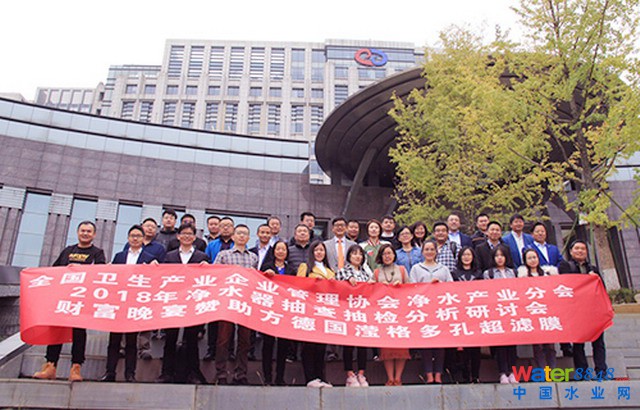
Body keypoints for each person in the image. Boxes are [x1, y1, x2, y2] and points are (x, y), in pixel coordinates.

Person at [33, 221, 106, 382]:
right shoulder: (68, 251)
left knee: (79, 333)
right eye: (83, 230)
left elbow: (100, 273)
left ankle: (76, 367)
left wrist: (80, 269)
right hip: (64, 299)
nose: (85, 233)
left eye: (89, 231)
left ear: (94, 235)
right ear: (78, 232)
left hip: (82, 300)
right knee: (56, 331)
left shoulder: (97, 253)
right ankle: (50, 365)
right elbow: (54, 270)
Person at [155, 223, 210, 384]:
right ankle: (166, 373)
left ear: (194, 237)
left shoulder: (201, 257)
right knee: (170, 338)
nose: (187, 236)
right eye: (184, 233)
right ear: (178, 236)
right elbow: (162, 276)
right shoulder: (170, 256)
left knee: (191, 340)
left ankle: (193, 373)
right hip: (173, 301)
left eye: (190, 234)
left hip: (193, 303)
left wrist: (208, 268)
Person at [101, 225, 155, 383]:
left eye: (138, 236)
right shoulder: (119, 256)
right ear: (128, 238)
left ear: (143, 239)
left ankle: (130, 374)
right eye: (132, 236)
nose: (135, 238)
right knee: (114, 340)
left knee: (132, 341)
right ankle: (110, 372)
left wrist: (153, 268)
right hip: (119, 302)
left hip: (135, 303)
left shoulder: (149, 258)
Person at [213, 224, 258, 385]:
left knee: (245, 341)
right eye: (239, 233)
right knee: (223, 339)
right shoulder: (223, 255)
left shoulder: (253, 258)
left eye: (245, 234)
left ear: (248, 238)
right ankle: (221, 374)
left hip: (246, 303)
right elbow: (215, 276)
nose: (241, 236)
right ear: (233, 236)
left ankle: (241, 374)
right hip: (227, 302)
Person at [559, 240, 607, 377]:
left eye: (583, 249)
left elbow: (602, 288)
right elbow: (566, 284)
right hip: (576, 311)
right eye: (577, 248)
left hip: (593, 311)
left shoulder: (593, 269)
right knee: (578, 343)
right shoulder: (565, 266)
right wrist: (586, 279)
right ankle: (582, 371)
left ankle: (601, 370)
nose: (580, 251)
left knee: (598, 342)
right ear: (571, 251)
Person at [409, 240, 453, 384]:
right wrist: (427, 286)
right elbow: (412, 288)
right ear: (422, 252)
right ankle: (428, 374)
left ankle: (438, 374)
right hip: (423, 311)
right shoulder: (416, 268)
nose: (429, 252)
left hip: (440, 311)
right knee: (426, 343)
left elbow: (451, 288)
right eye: (426, 249)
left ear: (436, 251)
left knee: (440, 343)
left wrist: (440, 285)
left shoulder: (443, 269)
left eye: (432, 249)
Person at [297, 240, 335, 387]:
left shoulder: (330, 270)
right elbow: (299, 286)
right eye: (316, 250)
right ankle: (310, 378)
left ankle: (321, 377)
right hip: (310, 309)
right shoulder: (305, 267)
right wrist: (313, 283)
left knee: (321, 346)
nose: (319, 253)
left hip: (325, 311)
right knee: (309, 345)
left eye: (322, 250)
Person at [373, 244, 410, 386]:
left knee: (401, 347)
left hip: (400, 313)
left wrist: (401, 286)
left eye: (390, 253)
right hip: (384, 314)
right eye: (384, 254)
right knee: (386, 347)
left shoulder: (402, 270)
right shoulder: (376, 272)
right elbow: (369, 289)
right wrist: (377, 285)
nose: (387, 256)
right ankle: (390, 378)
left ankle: (398, 378)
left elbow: (411, 288)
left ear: (394, 255)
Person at [336, 245, 373, 387]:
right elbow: (337, 287)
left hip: (363, 313)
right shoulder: (343, 271)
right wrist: (348, 279)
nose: (357, 256)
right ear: (349, 256)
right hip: (348, 312)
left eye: (360, 254)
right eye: (354, 254)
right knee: (349, 344)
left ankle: (361, 373)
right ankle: (350, 374)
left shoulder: (366, 273)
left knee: (362, 344)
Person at [260, 240, 296, 385]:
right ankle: (267, 378)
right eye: (278, 249)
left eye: (283, 249)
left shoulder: (291, 269)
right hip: (269, 310)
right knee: (267, 345)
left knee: (283, 346)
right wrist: (266, 275)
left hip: (285, 311)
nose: (280, 252)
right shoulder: (266, 266)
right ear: (273, 251)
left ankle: (279, 378)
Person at [483, 245, 519, 384]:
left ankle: (513, 372)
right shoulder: (489, 273)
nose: (499, 258)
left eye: (502, 255)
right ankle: (503, 372)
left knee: (512, 344)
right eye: (497, 256)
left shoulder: (513, 272)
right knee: (501, 345)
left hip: (512, 311)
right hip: (497, 311)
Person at [518, 248, 559, 369]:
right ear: (525, 261)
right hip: (532, 313)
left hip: (547, 312)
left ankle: (552, 371)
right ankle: (542, 371)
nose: (532, 260)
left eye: (534, 257)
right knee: (538, 346)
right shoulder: (522, 276)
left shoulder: (548, 273)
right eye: (529, 258)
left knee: (550, 345)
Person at [203, 216, 235, 361]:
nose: (226, 228)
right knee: (213, 319)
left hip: (232, 287)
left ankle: (230, 350)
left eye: (229, 226)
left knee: (231, 319)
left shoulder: (238, 244)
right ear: (219, 228)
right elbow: (207, 262)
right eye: (223, 226)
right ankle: (211, 349)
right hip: (216, 285)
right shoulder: (212, 245)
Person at [451, 246, 483, 383]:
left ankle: (475, 376)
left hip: (475, 314)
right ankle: (464, 375)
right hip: (460, 314)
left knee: (475, 347)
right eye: (464, 255)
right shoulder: (454, 273)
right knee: (462, 348)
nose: (466, 257)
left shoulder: (479, 273)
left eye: (469, 255)